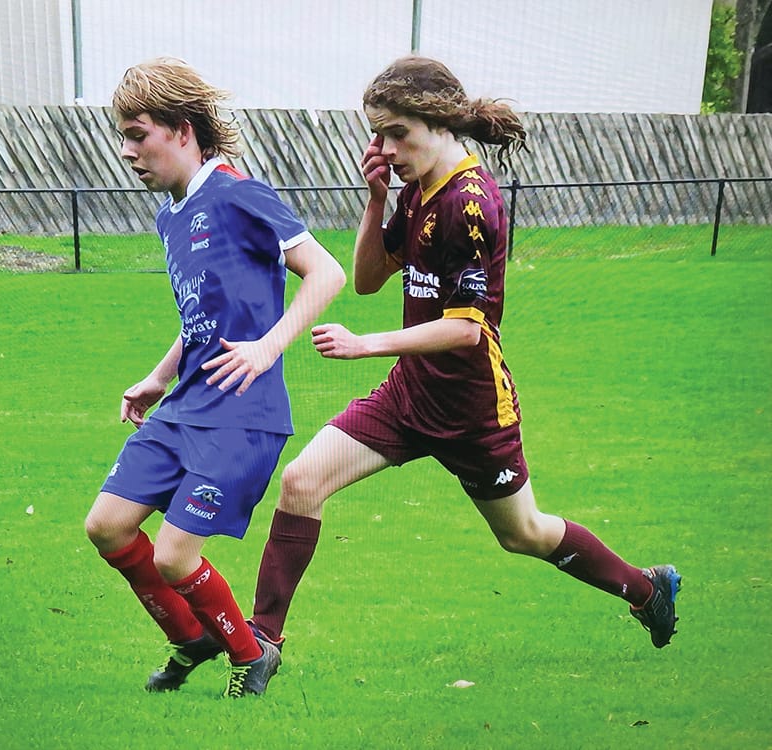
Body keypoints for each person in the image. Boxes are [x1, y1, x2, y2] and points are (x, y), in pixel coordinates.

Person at [247, 55, 681, 663]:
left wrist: (366, 344)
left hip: (473, 409)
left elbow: (467, 331)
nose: (386, 147)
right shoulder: (418, 187)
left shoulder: (469, 203)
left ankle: (646, 588)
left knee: (522, 534)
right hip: (408, 394)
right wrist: (375, 201)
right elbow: (371, 279)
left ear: (441, 122)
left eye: (398, 132)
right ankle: (261, 642)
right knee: (301, 481)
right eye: (377, 134)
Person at [84, 57, 345, 698]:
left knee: (174, 554)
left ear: (180, 129)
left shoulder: (237, 193)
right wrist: (155, 378)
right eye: (123, 136)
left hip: (241, 413)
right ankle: (191, 639)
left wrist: (268, 347)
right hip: (184, 405)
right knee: (107, 525)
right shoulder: (171, 215)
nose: (127, 152)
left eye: (137, 134)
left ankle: (251, 655)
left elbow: (328, 273)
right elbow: (199, 315)